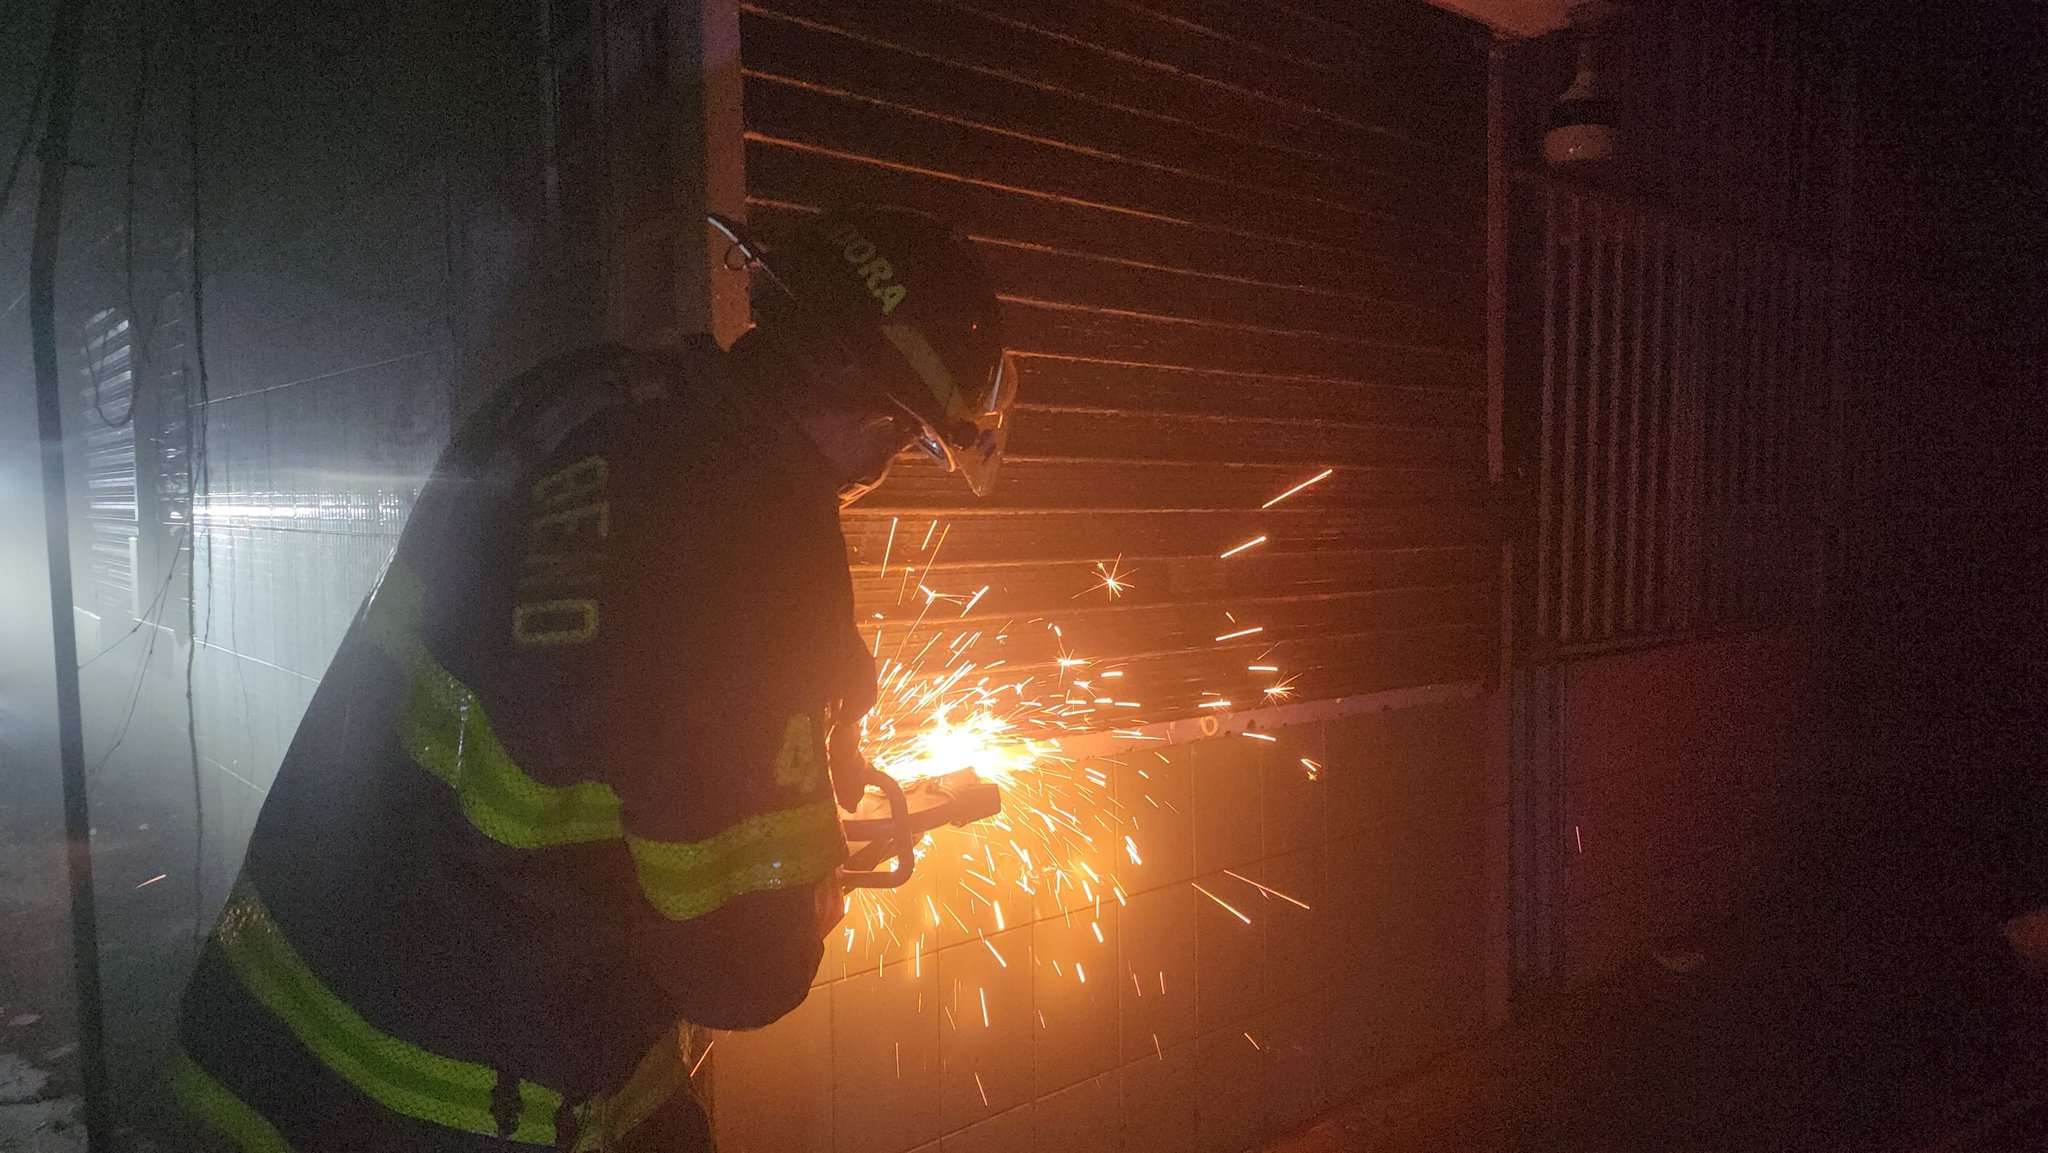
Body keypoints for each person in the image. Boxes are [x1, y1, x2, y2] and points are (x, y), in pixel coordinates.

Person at [171, 206, 1017, 1151]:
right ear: (880, 418)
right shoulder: (759, 556)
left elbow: (595, 707)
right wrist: (803, 886)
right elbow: (742, 971)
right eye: (904, 445)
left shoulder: (583, 398)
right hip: (424, 1098)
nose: (883, 469)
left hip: (267, 1025)